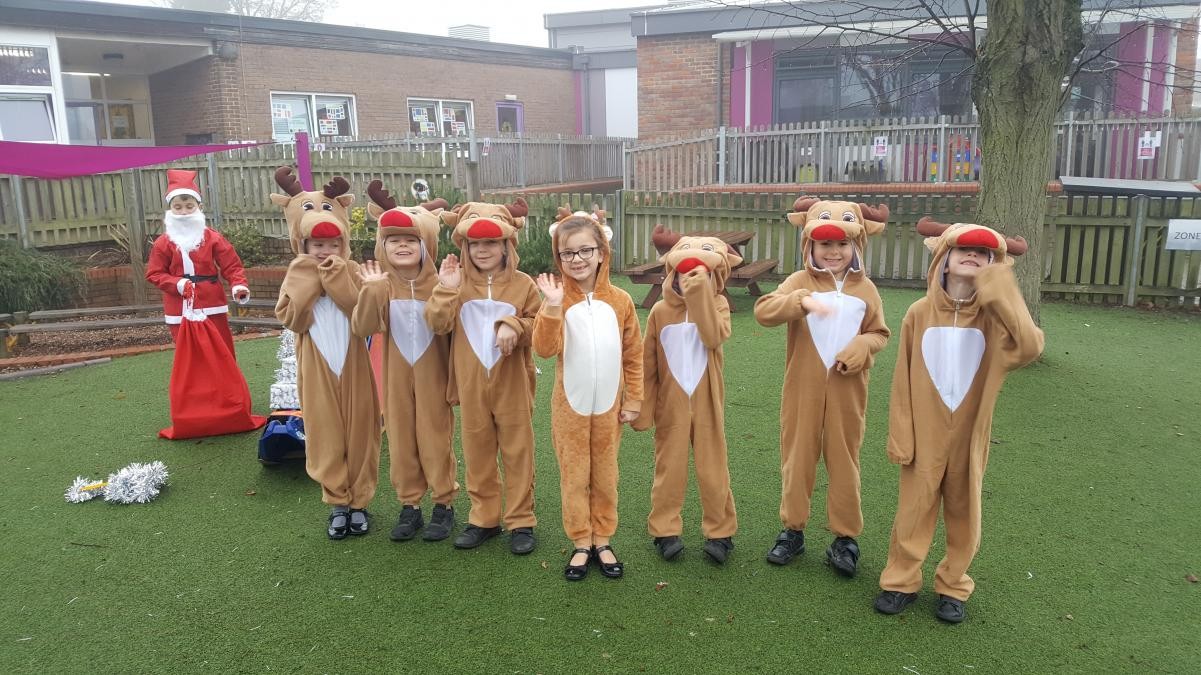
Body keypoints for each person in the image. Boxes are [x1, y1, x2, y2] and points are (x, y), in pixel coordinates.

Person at [874, 218, 1044, 623]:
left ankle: (953, 584)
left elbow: (1030, 346)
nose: (973, 255)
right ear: (942, 261)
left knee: (965, 512)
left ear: (994, 265)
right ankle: (900, 581)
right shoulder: (917, 313)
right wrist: (902, 434)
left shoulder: (996, 321)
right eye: (963, 249)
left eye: (984, 253)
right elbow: (902, 378)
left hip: (970, 436)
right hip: (925, 436)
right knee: (914, 509)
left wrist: (1000, 291)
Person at [753, 198, 890, 577]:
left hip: (849, 393)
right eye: (825, 244)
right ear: (809, 245)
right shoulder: (799, 282)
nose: (834, 252)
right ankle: (792, 530)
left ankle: (846, 538)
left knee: (845, 460)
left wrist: (862, 347)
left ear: (856, 246)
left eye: (842, 244)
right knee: (798, 458)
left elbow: (879, 334)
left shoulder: (868, 290)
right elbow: (764, 311)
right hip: (802, 392)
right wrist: (802, 301)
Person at [425, 198, 542, 555]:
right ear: (464, 246)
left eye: (491, 243)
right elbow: (438, 324)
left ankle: (521, 520)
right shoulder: (455, 284)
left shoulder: (524, 285)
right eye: (475, 244)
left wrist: (515, 326)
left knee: (518, 452)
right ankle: (484, 518)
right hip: (472, 385)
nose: (483, 250)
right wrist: (445, 287)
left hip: (513, 386)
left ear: (508, 245)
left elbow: (542, 326)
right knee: (477, 452)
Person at [531, 207, 643, 581]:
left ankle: (604, 538)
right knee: (574, 476)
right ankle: (581, 541)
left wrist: (634, 399)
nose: (576, 259)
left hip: (610, 409)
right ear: (558, 256)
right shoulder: (557, 299)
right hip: (571, 410)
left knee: (607, 476)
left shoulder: (622, 301)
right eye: (567, 253)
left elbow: (633, 355)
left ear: (601, 252)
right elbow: (544, 349)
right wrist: (549, 306)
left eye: (584, 251)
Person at [271, 167, 381, 540]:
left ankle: (360, 503)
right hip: (317, 363)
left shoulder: (350, 270)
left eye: (333, 245)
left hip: (352, 361)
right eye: (317, 246)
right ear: (302, 245)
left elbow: (363, 317)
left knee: (361, 432)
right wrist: (308, 284)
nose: (325, 252)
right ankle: (337, 502)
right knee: (325, 433)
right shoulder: (296, 273)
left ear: (344, 244)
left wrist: (334, 278)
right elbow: (291, 319)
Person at [351, 181, 458, 543]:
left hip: (434, 379)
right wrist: (370, 291)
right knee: (400, 441)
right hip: (396, 381)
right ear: (383, 246)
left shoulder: (440, 284)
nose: (401, 245)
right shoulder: (382, 285)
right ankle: (409, 505)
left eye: (410, 240)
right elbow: (364, 327)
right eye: (393, 240)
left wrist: (445, 289)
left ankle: (444, 503)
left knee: (436, 439)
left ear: (426, 246)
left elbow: (442, 325)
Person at [631, 226, 742, 565]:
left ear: (716, 278)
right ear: (671, 274)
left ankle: (721, 532)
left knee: (714, 468)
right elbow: (647, 363)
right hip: (671, 407)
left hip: (708, 404)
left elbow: (713, 337)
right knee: (669, 468)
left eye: (700, 275)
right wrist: (644, 408)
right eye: (684, 274)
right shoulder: (660, 313)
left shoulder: (719, 305)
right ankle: (665, 531)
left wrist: (701, 298)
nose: (690, 281)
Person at [145, 168, 249, 356]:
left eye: (189, 206)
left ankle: (224, 385)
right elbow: (154, 273)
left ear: (199, 207)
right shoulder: (163, 243)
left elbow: (231, 265)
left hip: (212, 302)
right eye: (178, 207)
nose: (184, 212)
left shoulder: (213, 238)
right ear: (170, 209)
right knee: (189, 354)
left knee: (220, 350)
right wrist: (178, 283)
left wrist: (238, 285)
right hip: (179, 306)